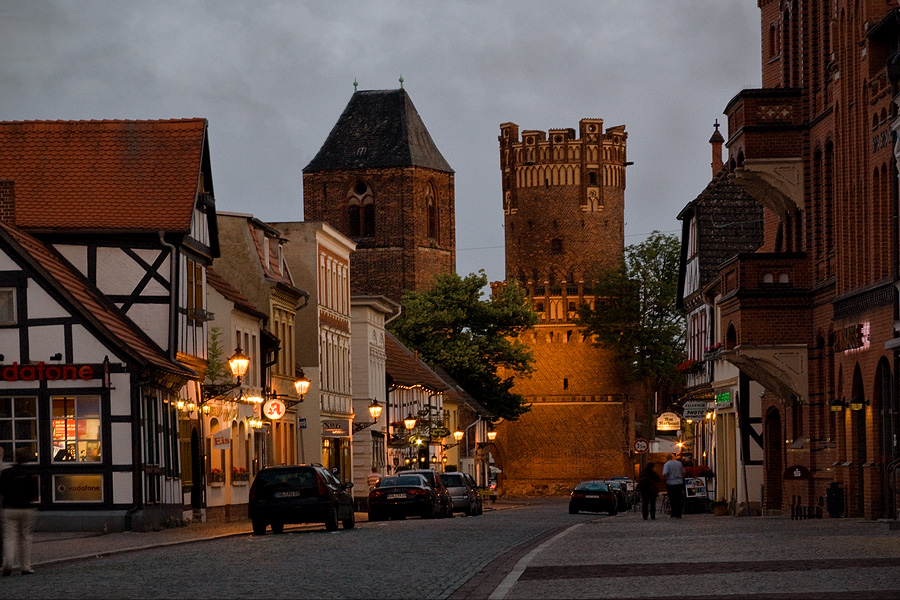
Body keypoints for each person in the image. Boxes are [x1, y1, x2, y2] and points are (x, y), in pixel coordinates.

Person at [1, 447, 39, 576]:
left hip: (10, 508)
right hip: (26, 508)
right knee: (25, 538)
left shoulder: (6, 473)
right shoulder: (29, 473)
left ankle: (8, 564)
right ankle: (26, 566)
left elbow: (2, 490)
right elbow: (35, 493)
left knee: (9, 537)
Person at [662, 453, 685, 519]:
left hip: (671, 483)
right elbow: (683, 472)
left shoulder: (667, 464)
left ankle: (674, 513)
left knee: (672, 498)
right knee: (679, 498)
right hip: (679, 482)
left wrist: (665, 482)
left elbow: (665, 474)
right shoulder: (679, 463)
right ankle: (679, 513)